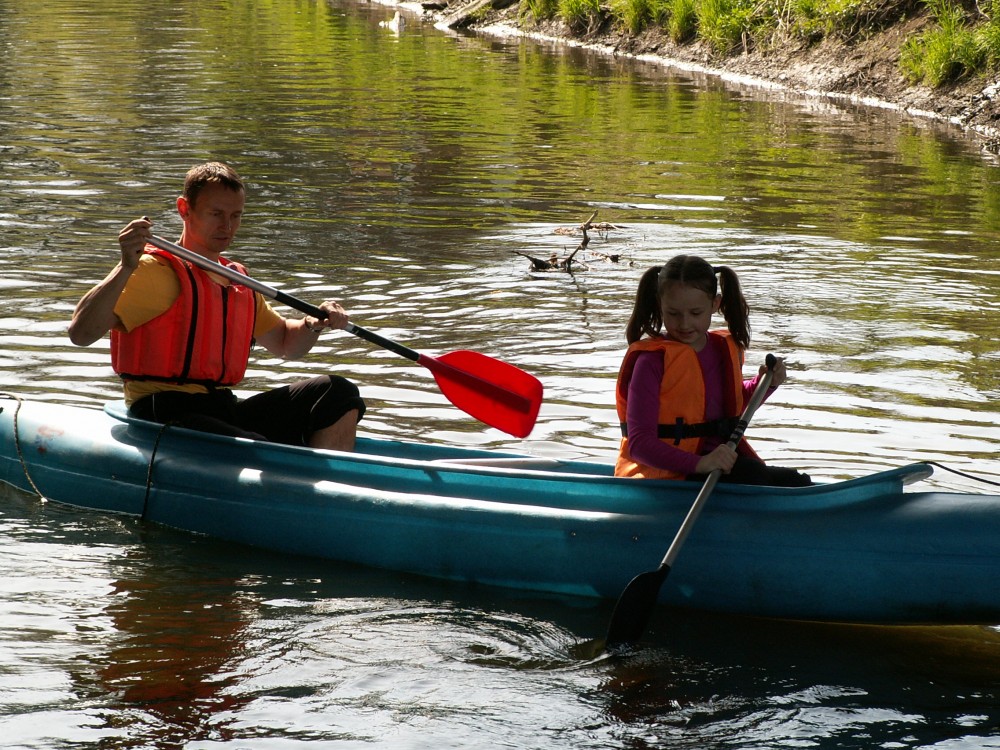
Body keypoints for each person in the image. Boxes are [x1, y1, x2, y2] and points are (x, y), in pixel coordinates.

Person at [68, 161, 365, 451]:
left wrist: (314, 323)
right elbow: (80, 333)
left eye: (236, 215)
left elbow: (286, 344)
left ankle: (327, 478)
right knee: (256, 447)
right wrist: (125, 266)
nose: (227, 226)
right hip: (163, 411)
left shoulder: (236, 280)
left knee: (338, 392)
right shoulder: (154, 271)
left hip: (220, 407)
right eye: (216, 214)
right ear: (185, 209)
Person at [614, 254, 810, 486]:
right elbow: (639, 444)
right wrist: (700, 463)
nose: (684, 323)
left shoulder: (720, 349)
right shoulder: (651, 362)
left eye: (695, 313)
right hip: (668, 475)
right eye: (673, 313)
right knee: (753, 473)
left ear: (715, 304)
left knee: (797, 481)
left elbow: (730, 408)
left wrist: (766, 383)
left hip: (714, 467)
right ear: (660, 304)